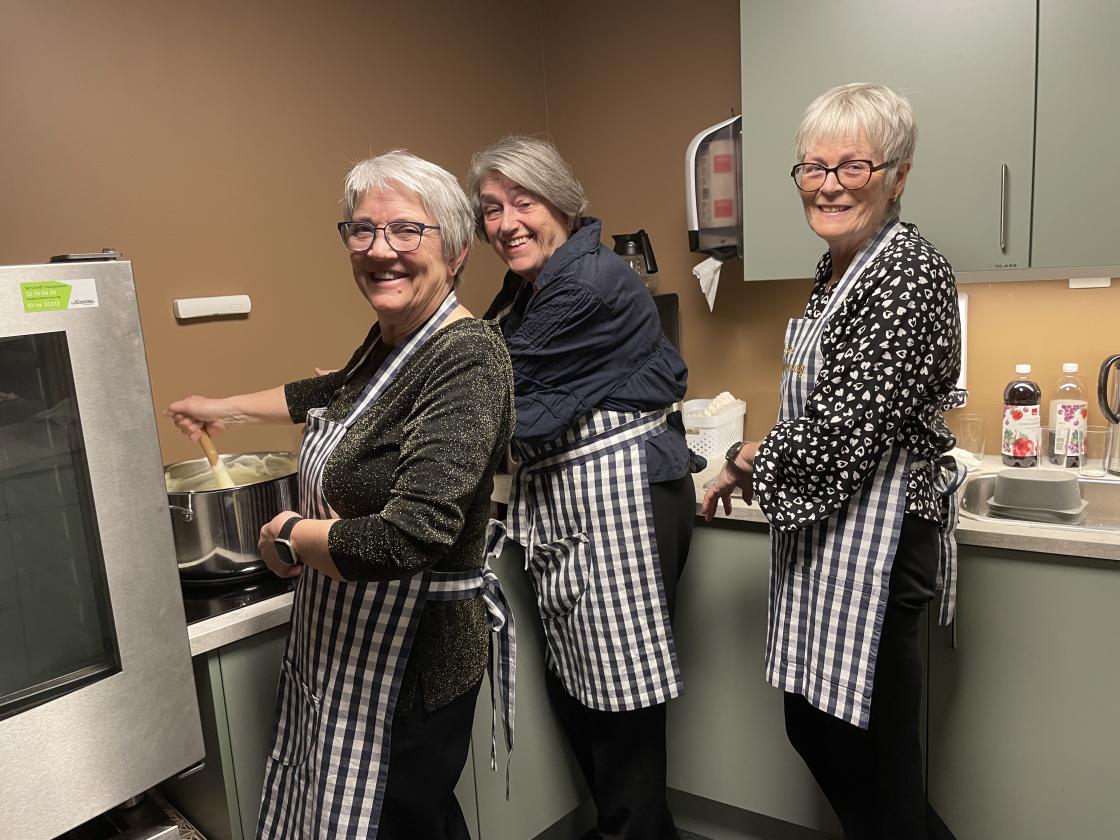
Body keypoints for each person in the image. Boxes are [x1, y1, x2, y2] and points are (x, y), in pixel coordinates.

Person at [166, 150, 515, 840]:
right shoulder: (394, 341)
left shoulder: (467, 354)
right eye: (362, 230)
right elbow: (330, 394)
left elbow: (409, 536)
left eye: (406, 231)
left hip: (416, 657)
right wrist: (223, 407)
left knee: (404, 824)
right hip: (349, 637)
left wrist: (288, 534)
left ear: (456, 250)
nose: (380, 250)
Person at [703, 83, 963, 840]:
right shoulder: (840, 270)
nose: (828, 185)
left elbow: (837, 435)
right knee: (819, 731)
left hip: (881, 544)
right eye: (813, 168)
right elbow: (822, 420)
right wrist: (749, 464)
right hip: (836, 534)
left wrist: (749, 453)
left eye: (852, 166)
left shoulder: (908, 274)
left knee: (877, 770)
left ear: (898, 174)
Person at [467, 135, 698, 840]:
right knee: (583, 698)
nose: (505, 223)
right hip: (575, 507)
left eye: (522, 202)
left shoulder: (588, 281)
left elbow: (492, 388)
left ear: (561, 201)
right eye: (491, 210)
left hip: (621, 499)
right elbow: (488, 373)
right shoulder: (525, 287)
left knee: (619, 709)